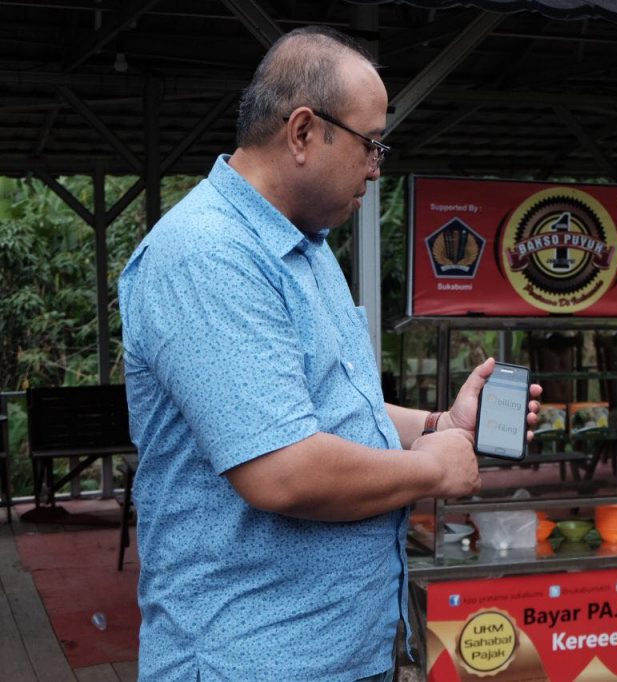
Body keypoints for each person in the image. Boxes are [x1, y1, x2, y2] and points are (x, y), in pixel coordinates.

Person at [119, 26, 540, 681]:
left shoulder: (304, 247)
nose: (377, 167)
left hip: (336, 653)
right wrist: (433, 471)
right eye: (372, 144)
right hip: (257, 660)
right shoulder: (208, 256)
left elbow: (331, 404)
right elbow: (282, 469)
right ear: (304, 132)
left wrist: (439, 427)